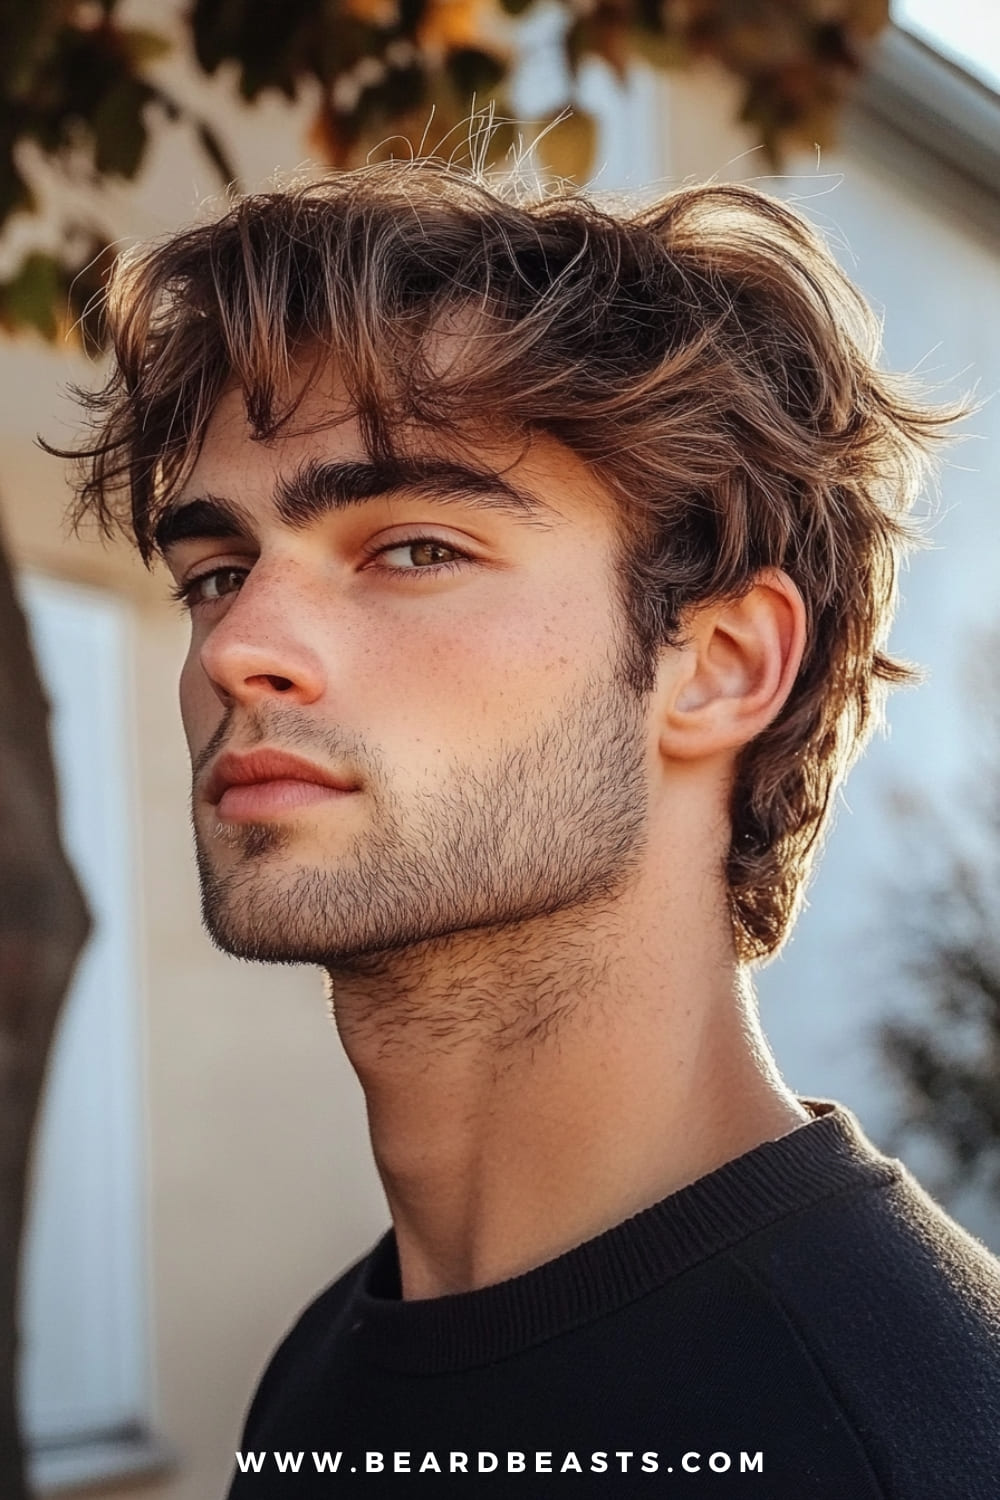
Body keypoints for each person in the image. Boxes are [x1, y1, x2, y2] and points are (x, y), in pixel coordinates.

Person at [56, 159, 1000, 1497]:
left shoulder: (913, 1442)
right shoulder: (326, 1374)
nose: (240, 647)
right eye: (216, 573)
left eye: (413, 549)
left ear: (723, 664)